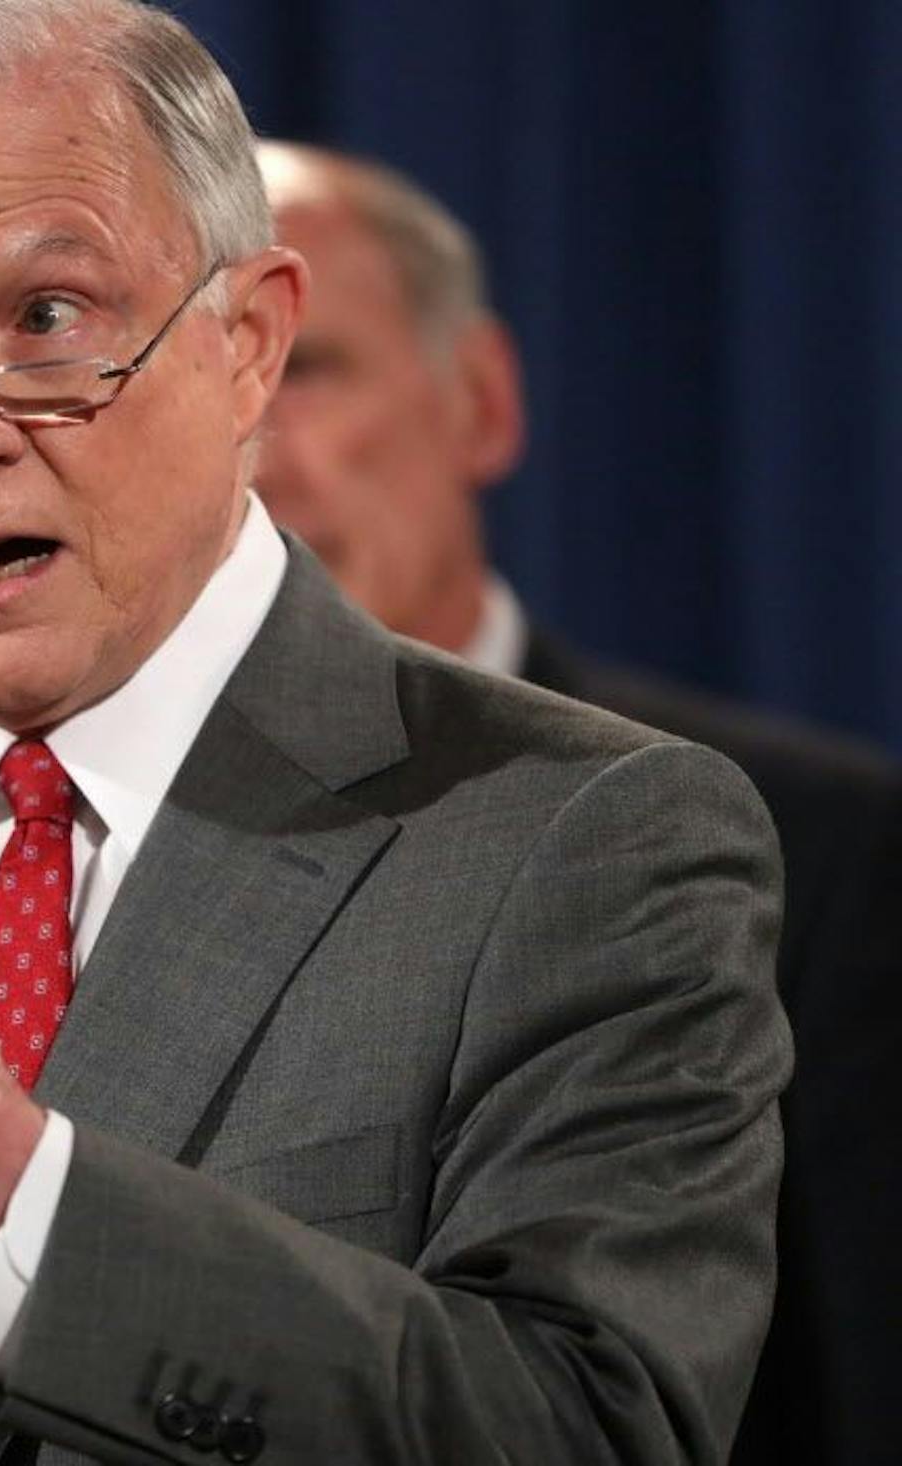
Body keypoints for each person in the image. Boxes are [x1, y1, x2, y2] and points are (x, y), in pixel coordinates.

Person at [0, 2, 791, 1462]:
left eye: (46, 320)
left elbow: (587, 1431)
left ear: (250, 344)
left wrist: (9, 1163)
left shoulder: (582, 841)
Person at [253, 139, 902, 1466]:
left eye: (302, 368)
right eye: (196, 386)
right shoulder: (102, 849)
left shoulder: (816, 841)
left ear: (480, 400)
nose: (245, 455)